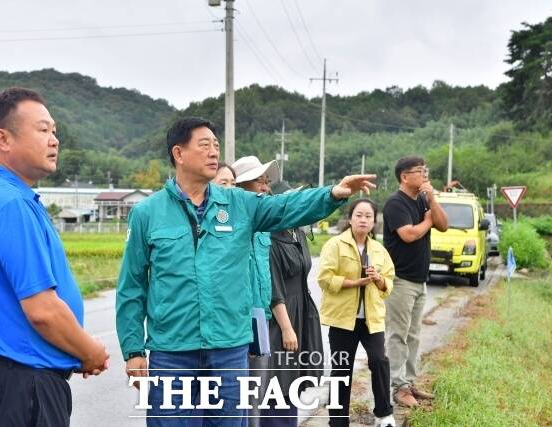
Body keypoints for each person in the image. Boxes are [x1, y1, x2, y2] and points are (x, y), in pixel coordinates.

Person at [116, 116, 376, 426]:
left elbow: (286, 207)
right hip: (172, 352)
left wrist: (332, 194)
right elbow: (132, 286)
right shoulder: (148, 213)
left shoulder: (240, 204)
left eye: (216, 145)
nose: (214, 152)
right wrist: (133, 350)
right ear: (178, 153)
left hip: (228, 349)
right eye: (204, 145)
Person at [0, 87, 109, 426]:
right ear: (3, 139)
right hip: (23, 389)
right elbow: (43, 311)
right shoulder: (10, 203)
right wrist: (89, 352)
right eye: (43, 130)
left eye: (54, 131)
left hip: (10, 384)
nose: (54, 140)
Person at [318, 199, 396, 427]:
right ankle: (338, 420)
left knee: (379, 360)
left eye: (368, 216)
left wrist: (379, 279)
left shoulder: (379, 250)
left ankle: (384, 414)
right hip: (343, 320)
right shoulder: (335, 245)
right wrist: (354, 282)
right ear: (350, 218)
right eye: (359, 215)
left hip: (372, 319)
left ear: (374, 221)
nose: (363, 220)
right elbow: (324, 278)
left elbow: (389, 283)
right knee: (341, 369)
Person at [382, 156, 447, 408]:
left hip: (420, 280)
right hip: (400, 279)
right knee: (398, 334)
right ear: (404, 176)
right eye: (419, 171)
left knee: (414, 334)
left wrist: (432, 199)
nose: (424, 175)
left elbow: (443, 224)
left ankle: (409, 382)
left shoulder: (422, 199)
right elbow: (408, 234)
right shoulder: (395, 203)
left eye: (425, 170)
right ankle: (398, 387)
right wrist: (428, 220)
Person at [261, 183, 324, 427]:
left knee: (296, 381)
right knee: (278, 380)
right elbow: (274, 289)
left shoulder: (297, 232)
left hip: (302, 312)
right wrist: (287, 328)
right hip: (282, 318)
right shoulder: (271, 238)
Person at [232, 155, 279, 427]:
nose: (265, 187)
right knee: (232, 397)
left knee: (254, 397)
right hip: (236, 319)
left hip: (259, 316)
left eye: (266, 182)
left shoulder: (264, 229)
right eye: (258, 181)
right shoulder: (228, 226)